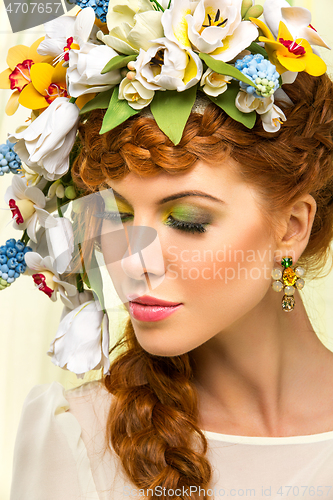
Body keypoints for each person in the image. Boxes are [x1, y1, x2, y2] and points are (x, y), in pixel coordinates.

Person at [3, 0, 333, 499]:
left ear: (290, 227)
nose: (133, 260)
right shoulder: (75, 437)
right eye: (115, 214)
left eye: (187, 220)